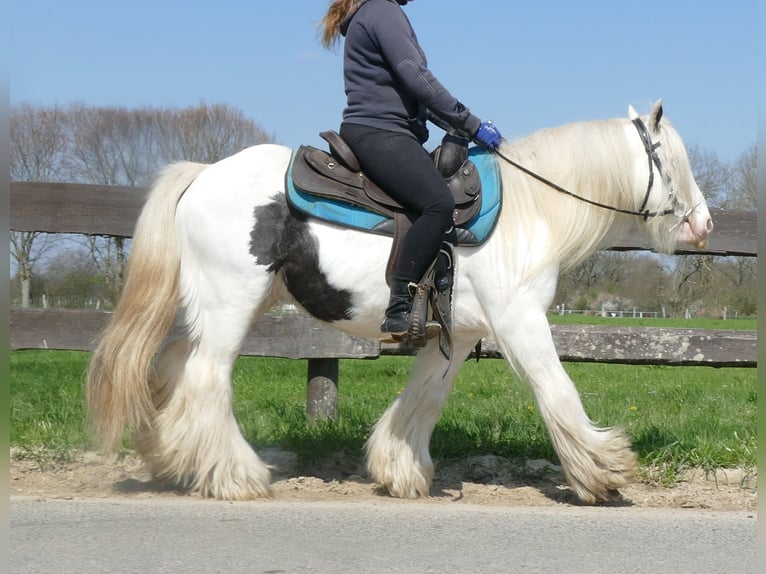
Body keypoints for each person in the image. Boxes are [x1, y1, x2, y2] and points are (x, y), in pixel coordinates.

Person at [320, 0, 503, 341]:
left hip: (385, 131)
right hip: (380, 133)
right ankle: (399, 304)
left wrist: (460, 124)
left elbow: (414, 96)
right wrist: (472, 123)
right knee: (438, 203)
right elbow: (418, 78)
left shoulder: (373, 12)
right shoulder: (382, 11)